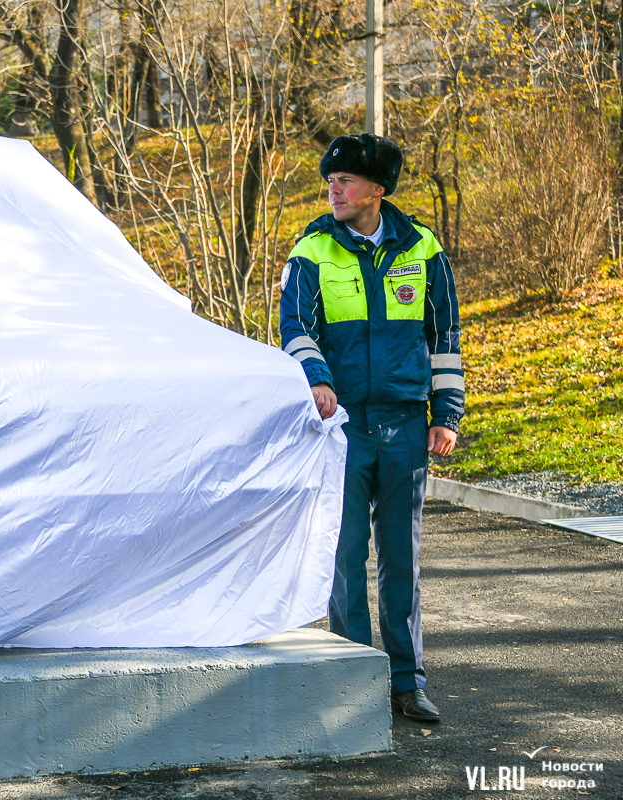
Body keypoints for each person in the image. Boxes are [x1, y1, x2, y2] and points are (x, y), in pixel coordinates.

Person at [279, 133, 464, 724]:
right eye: (331, 181)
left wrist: (448, 414)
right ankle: (355, 677)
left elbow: (444, 339)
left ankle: (407, 683)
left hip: (407, 422)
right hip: (344, 426)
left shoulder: (423, 248)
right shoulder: (312, 251)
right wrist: (317, 377)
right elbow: (293, 325)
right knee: (345, 551)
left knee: (401, 558)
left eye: (347, 181)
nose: (334, 189)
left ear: (377, 190)